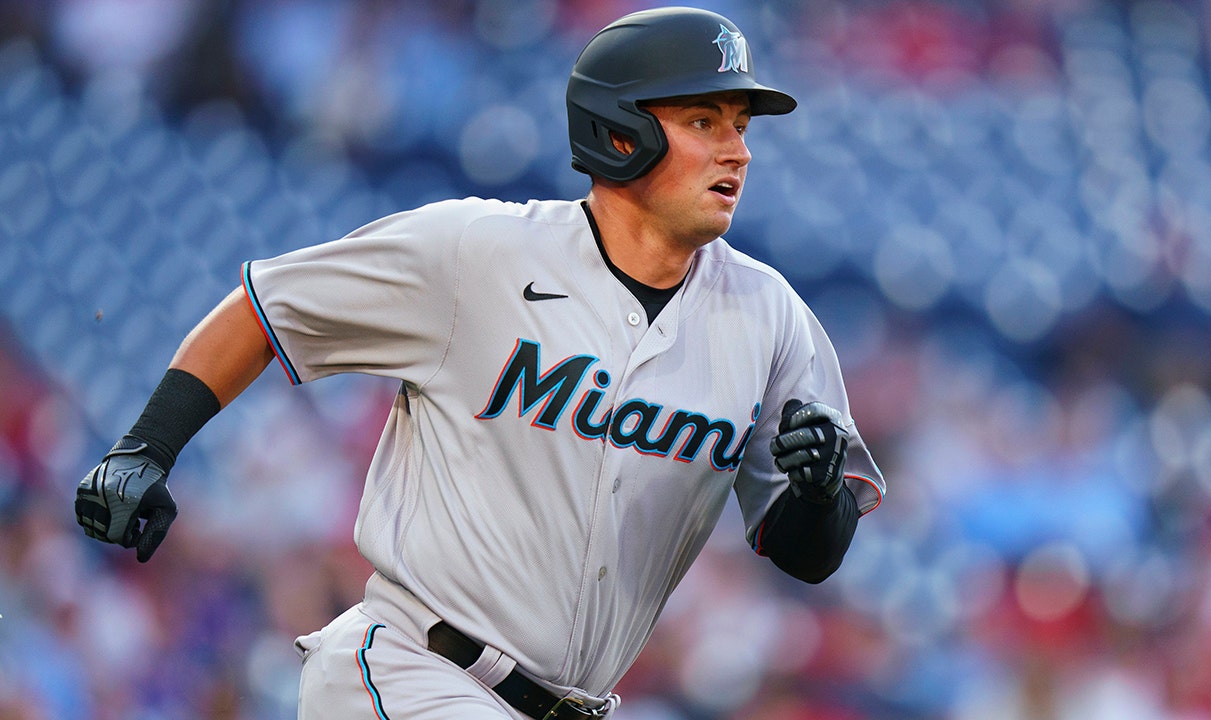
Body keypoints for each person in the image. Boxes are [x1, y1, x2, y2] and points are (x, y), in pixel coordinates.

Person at [75, 6, 885, 719]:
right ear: (620, 130)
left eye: (741, 126)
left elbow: (806, 554)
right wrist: (147, 446)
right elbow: (267, 308)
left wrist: (817, 500)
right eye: (705, 121)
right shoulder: (478, 250)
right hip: (411, 671)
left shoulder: (769, 314)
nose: (737, 151)